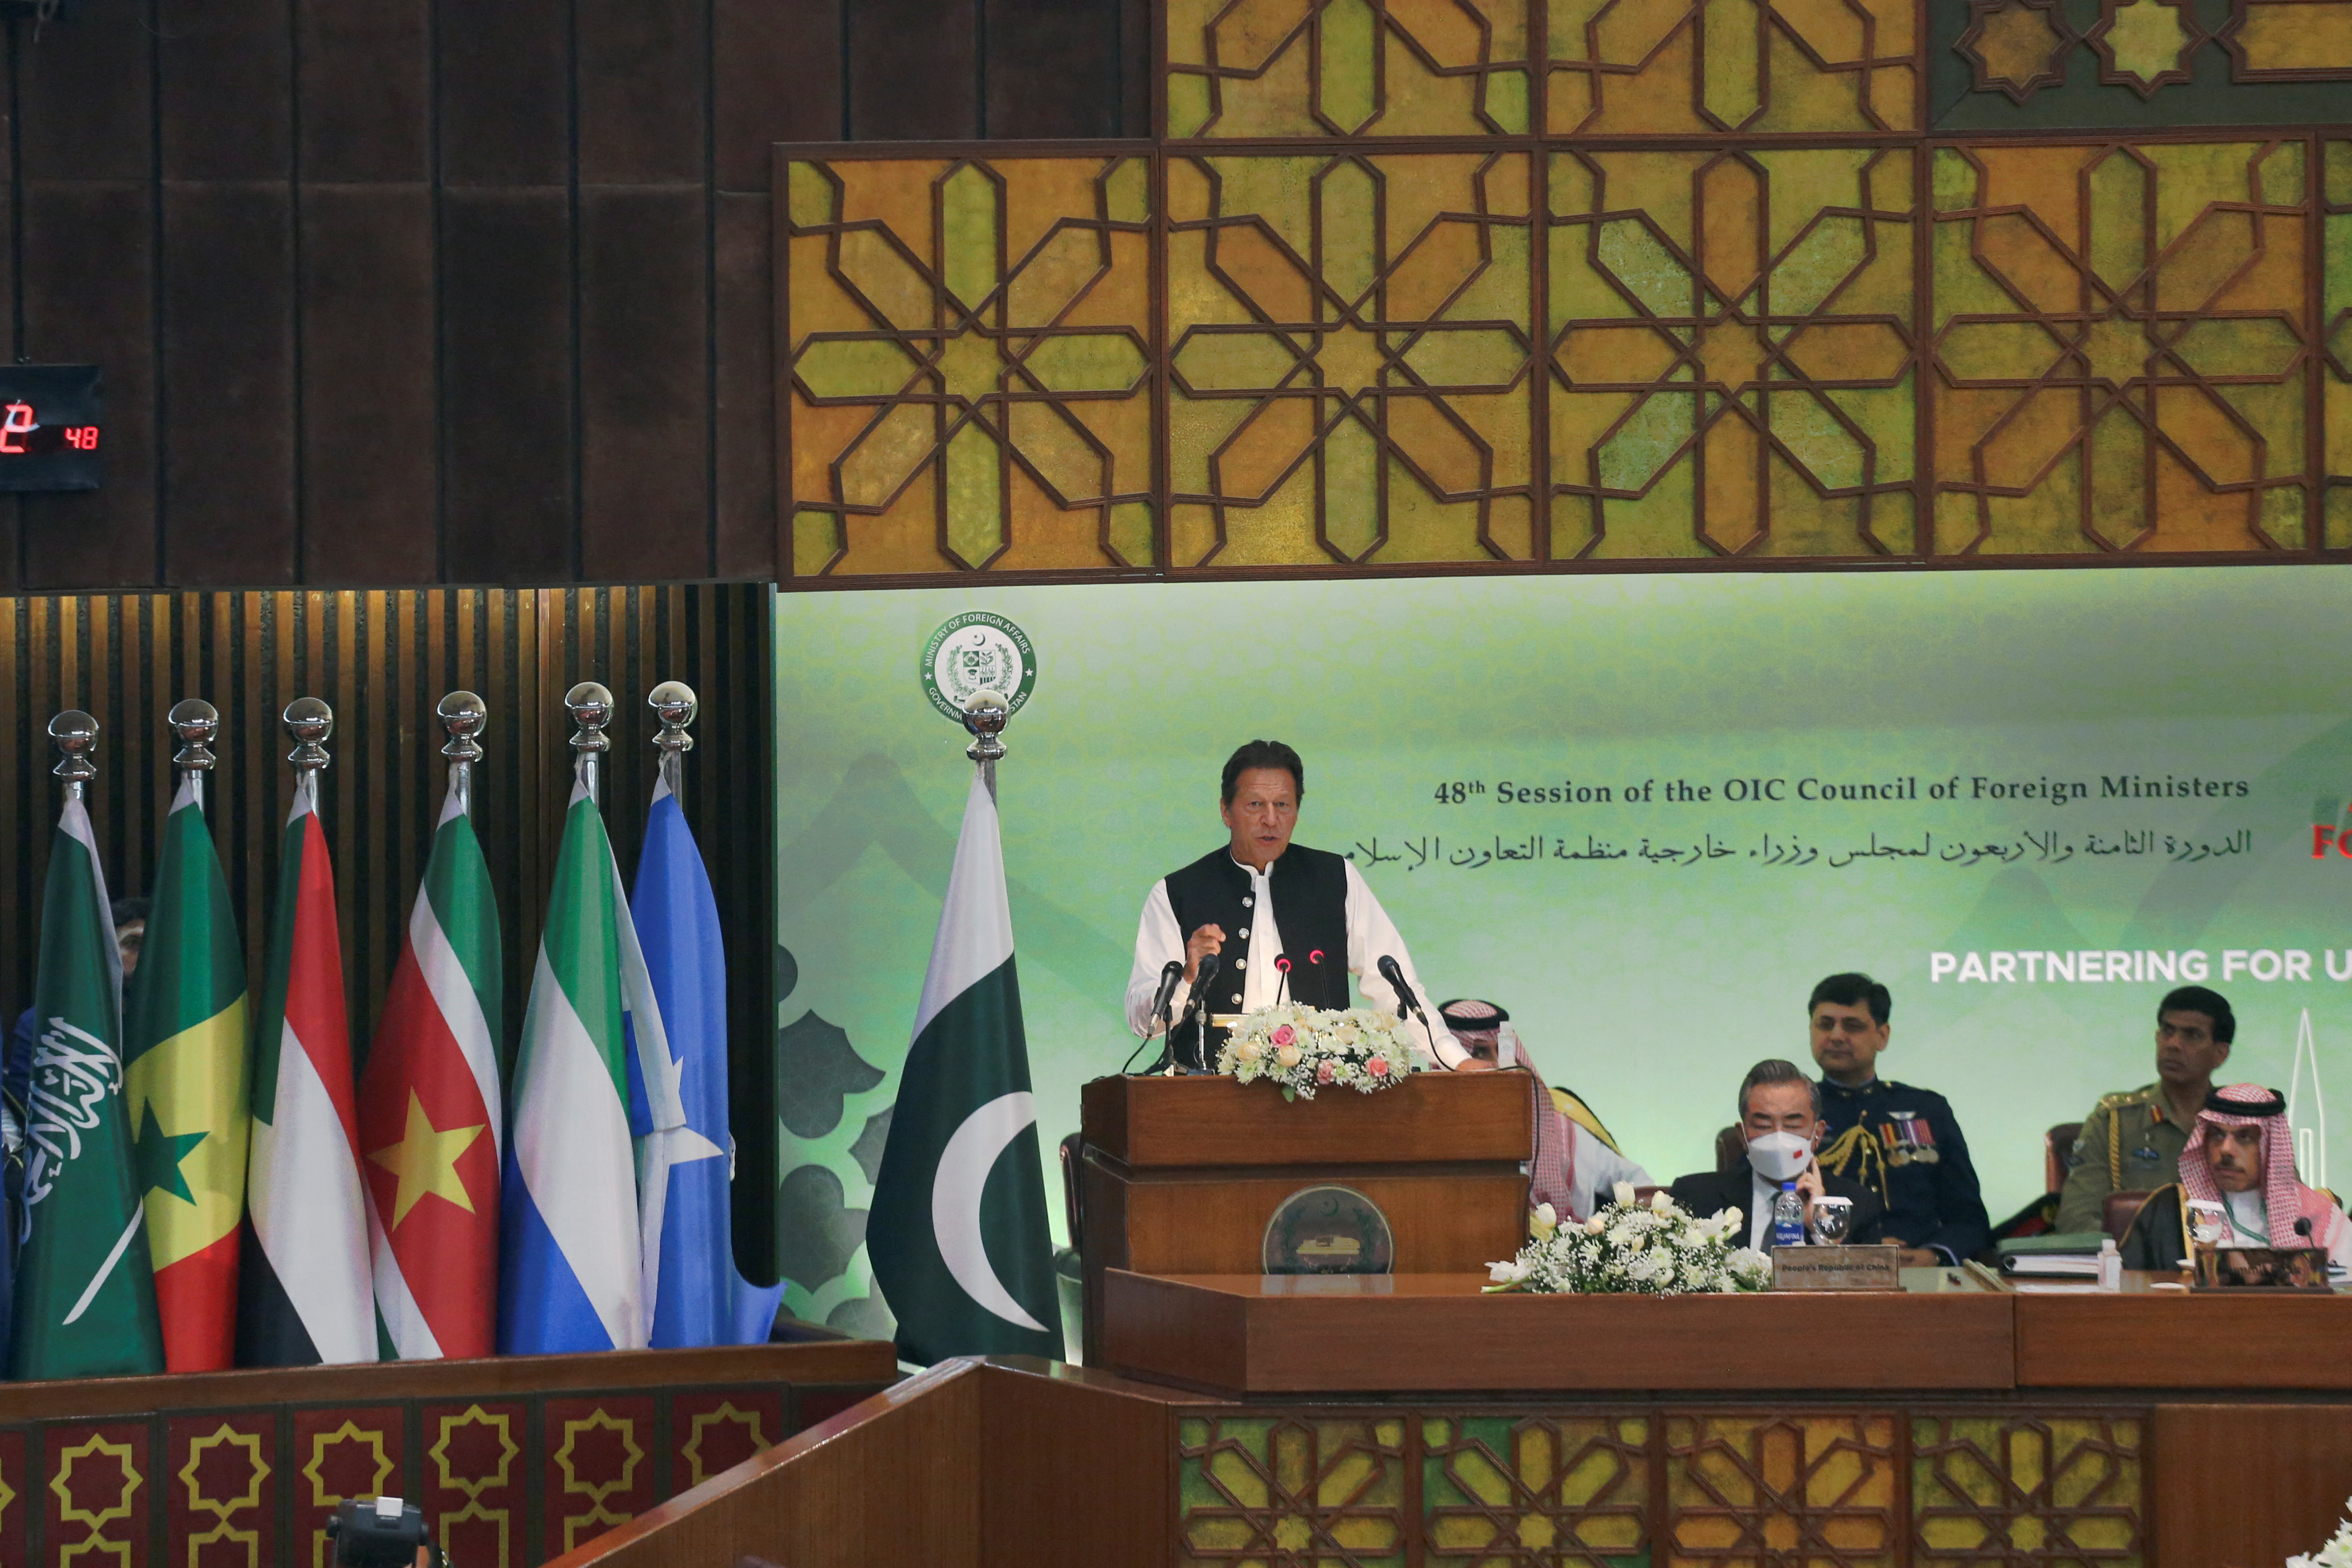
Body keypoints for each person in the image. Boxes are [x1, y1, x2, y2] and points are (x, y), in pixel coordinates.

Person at [1125, 740, 1461, 1068]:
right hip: (1209, 1101)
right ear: (1226, 811)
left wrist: (1453, 1059)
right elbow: (1145, 1024)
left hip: (1318, 1098)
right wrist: (1186, 976)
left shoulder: (1335, 878)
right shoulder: (1177, 891)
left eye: (1283, 805)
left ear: (1297, 812)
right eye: (1255, 805)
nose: (1271, 819)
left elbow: (1396, 988)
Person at [1805, 972, 1989, 1266]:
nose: (1837, 1036)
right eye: (1825, 1024)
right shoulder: (1792, 1113)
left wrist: (1934, 1255)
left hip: (1919, 1273)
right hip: (1824, 1273)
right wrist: (1859, 1250)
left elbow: (1969, 1218)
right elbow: (1760, 1210)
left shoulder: (1928, 1110)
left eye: (1852, 1025)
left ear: (1883, 1035)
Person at [1440, 998, 1648, 1220]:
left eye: (1502, 1052)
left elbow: (1634, 1180)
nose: (1496, 1065)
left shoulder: (1556, 1125)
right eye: (1479, 1054)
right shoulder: (1431, 1139)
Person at [2057, 985, 2234, 1234]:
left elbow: (2287, 1213)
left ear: (2220, 1054)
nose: (2173, 1044)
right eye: (2168, 1031)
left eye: (2192, 1036)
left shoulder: (2241, 1124)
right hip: (2133, 1268)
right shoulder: (2115, 1121)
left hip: (2222, 1266)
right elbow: (2078, 1219)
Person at [2120, 1083, 2352, 1270]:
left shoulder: (2319, 1216)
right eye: (2217, 1135)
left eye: (2244, 1137)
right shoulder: (2169, 1210)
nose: (2226, 1150)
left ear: (2270, 1146)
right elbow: (2127, 1291)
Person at [1669, 1059, 1885, 1249]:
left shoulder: (1855, 1204)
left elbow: (1863, 1288)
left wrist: (1821, 1226)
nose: (1778, 1137)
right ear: (1743, 1136)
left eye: (1793, 1124)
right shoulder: (1694, 1197)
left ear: (1817, 1135)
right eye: (1763, 1124)